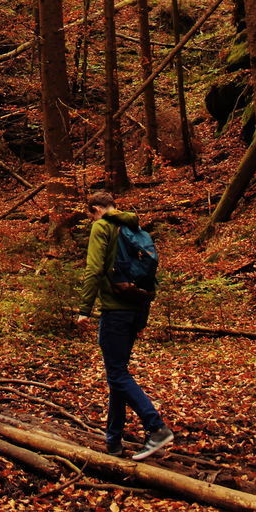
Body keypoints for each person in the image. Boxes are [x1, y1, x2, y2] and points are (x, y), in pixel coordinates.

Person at [75, 190, 174, 460]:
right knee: (117, 375)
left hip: (115, 311)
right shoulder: (134, 227)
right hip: (137, 307)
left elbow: (94, 269)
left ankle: (156, 428)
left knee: (117, 375)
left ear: (95, 209)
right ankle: (113, 440)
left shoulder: (102, 227)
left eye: (91, 214)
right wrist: (142, 318)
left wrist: (85, 309)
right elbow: (148, 275)